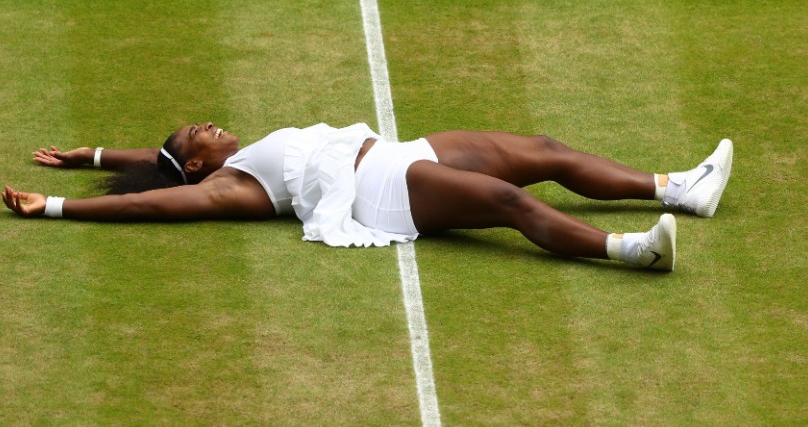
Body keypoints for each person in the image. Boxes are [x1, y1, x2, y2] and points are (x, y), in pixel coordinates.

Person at [3, 122, 733, 271]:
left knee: (540, 152)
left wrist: (89, 154)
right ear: (200, 164)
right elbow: (148, 200)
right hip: (383, 189)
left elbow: (153, 165)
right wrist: (57, 205)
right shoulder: (226, 187)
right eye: (203, 132)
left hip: (394, 150)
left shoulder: (207, 158)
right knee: (510, 202)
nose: (212, 123)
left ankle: (677, 187)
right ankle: (632, 251)